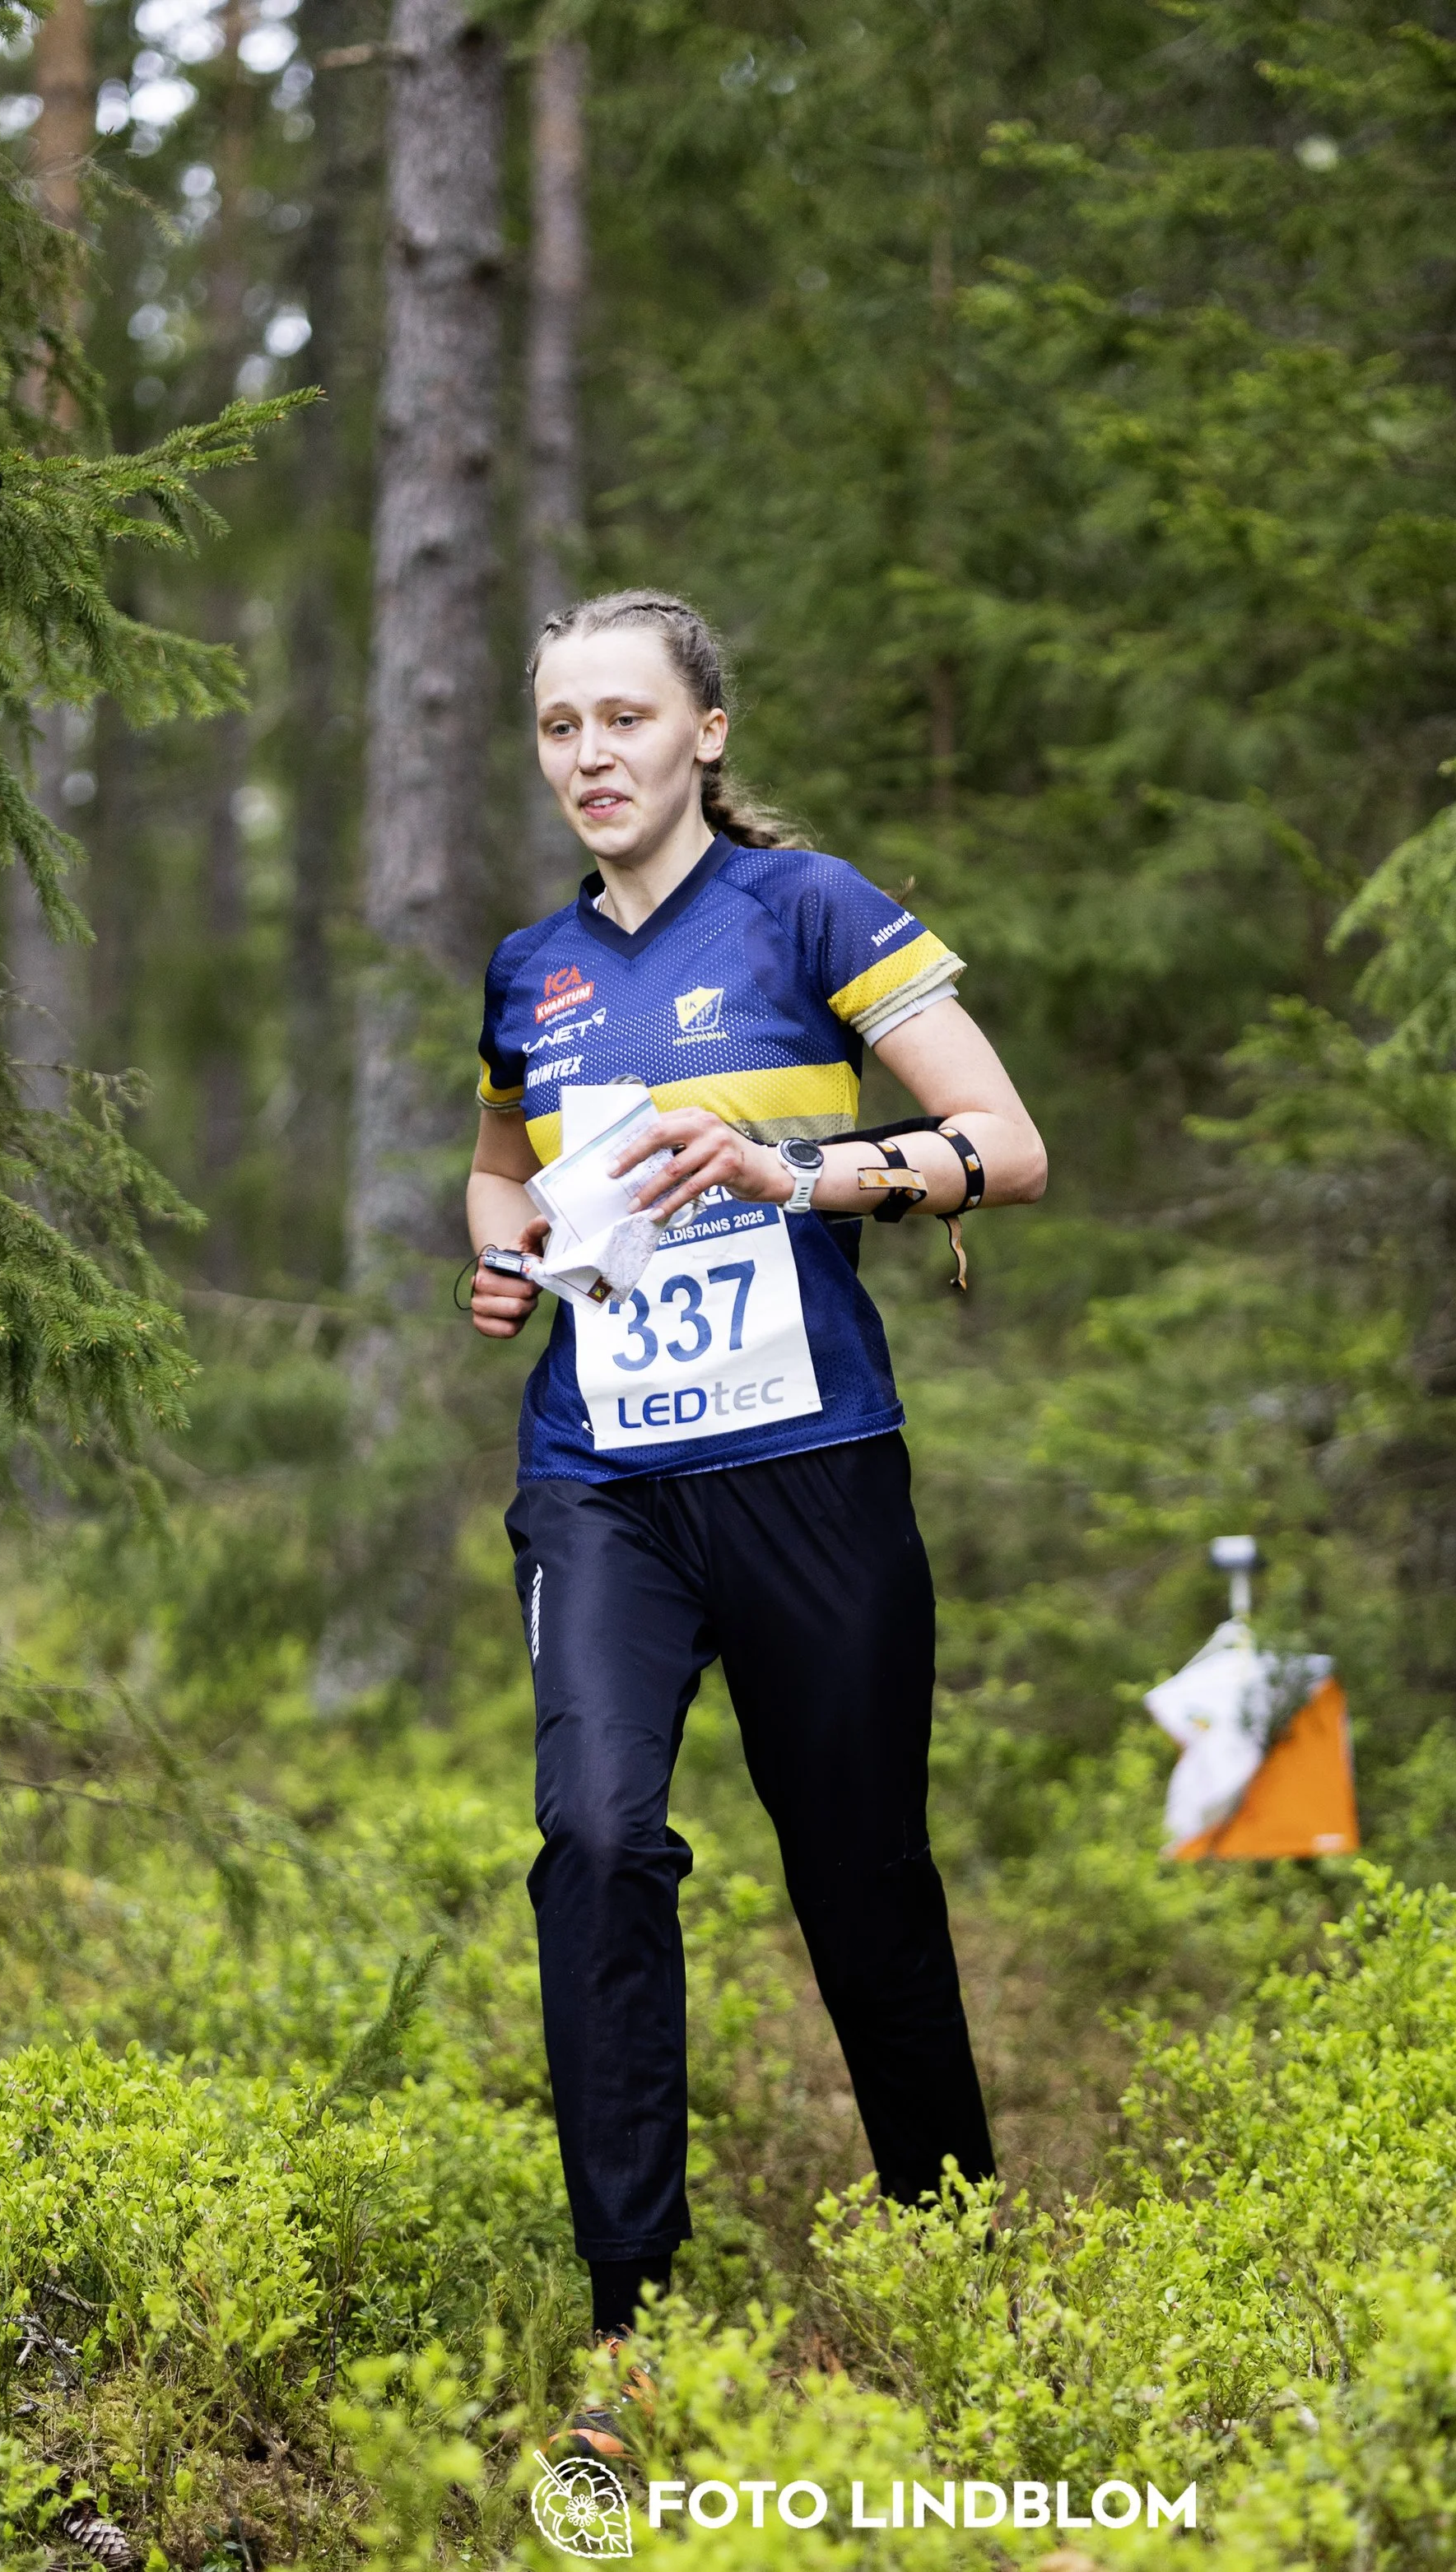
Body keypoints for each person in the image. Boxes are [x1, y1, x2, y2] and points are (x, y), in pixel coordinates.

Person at [466, 588, 1047, 2369]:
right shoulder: (529, 972)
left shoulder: (807, 908)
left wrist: (795, 1176)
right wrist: (497, 1259)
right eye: (563, 726)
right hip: (605, 1478)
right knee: (598, 1835)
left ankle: (952, 2268)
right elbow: (500, 1173)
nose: (591, 756)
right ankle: (632, 2316)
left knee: (860, 1872)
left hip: (810, 1468)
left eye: (624, 720)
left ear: (702, 732)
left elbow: (1006, 1149)